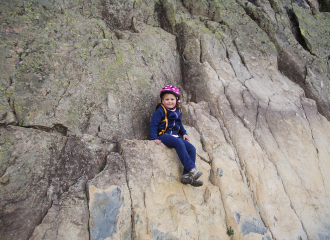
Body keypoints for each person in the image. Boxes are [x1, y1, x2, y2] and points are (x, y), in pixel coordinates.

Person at [150, 85, 203, 187]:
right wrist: (154, 138)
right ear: (162, 100)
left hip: (175, 136)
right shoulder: (160, 111)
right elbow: (153, 125)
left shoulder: (178, 110)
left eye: (172, 99)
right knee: (178, 142)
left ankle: (186, 176)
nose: (169, 101)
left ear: (177, 100)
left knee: (192, 148)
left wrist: (184, 133)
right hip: (163, 135)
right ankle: (191, 168)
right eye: (167, 99)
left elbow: (179, 124)